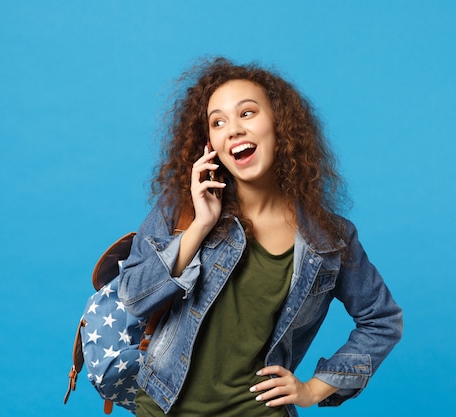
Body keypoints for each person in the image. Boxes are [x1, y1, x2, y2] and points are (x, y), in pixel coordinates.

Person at [117, 57, 403, 417]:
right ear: (211, 144)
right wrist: (200, 227)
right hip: (163, 408)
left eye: (247, 113)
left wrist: (314, 388)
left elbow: (382, 321)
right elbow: (132, 297)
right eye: (218, 122)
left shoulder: (329, 239)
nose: (233, 129)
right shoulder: (182, 209)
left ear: (280, 125)